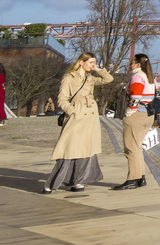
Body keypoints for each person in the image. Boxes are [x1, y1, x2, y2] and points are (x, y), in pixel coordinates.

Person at [44, 53, 116, 193]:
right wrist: (73, 112)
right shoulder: (69, 77)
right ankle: (51, 183)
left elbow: (109, 79)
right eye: (90, 62)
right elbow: (62, 99)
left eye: (94, 62)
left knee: (86, 149)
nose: (92, 65)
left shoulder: (90, 78)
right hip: (77, 116)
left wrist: (97, 69)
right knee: (69, 150)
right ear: (81, 62)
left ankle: (77, 181)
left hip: (90, 117)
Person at [112, 53, 158, 191]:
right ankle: (140, 176)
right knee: (137, 148)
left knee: (131, 148)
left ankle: (132, 178)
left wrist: (129, 112)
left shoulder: (137, 77)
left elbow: (136, 97)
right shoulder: (150, 78)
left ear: (138, 65)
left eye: (131, 62)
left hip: (137, 114)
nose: (129, 65)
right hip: (148, 114)